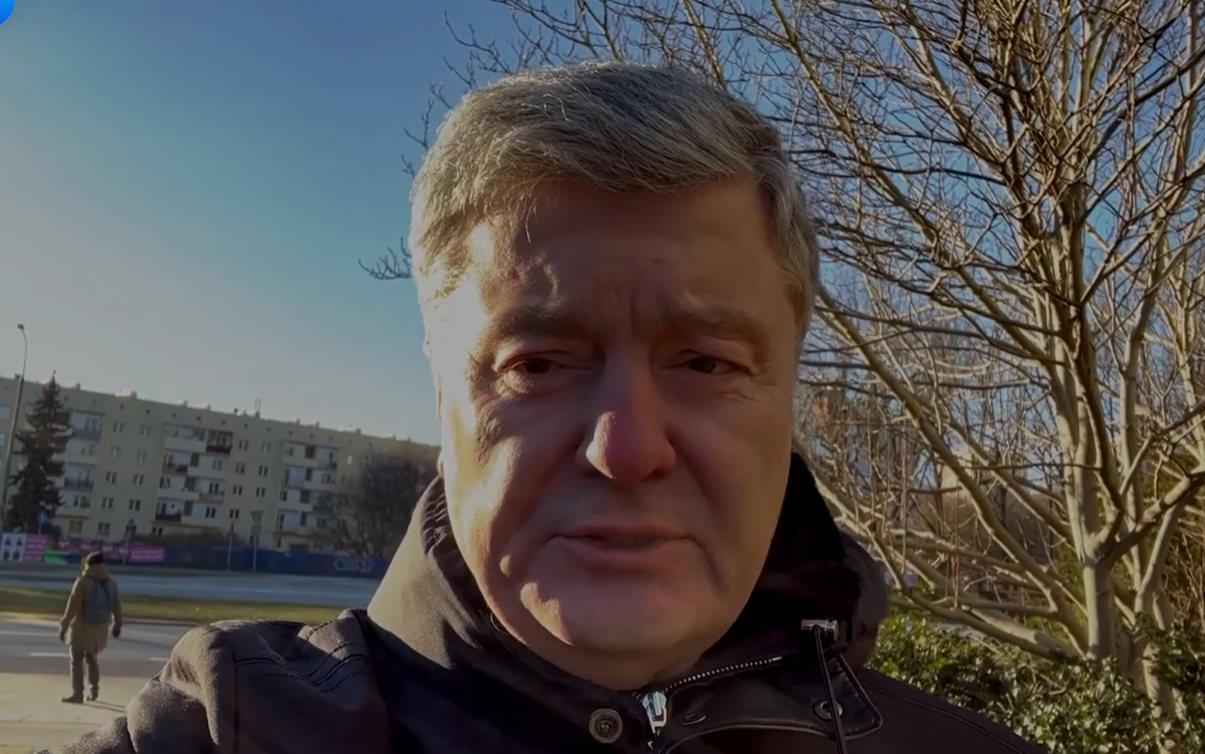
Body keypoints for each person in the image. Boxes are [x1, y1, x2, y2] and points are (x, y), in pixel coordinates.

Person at [63, 61, 1047, 754]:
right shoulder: (229, 731)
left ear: (787, 392)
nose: (626, 448)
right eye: (537, 364)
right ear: (442, 392)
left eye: (705, 362)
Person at [59, 551, 123, 704]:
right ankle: (94, 691)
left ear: (88, 564)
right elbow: (116, 606)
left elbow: (72, 606)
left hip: (80, 628)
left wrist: (64, 625)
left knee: (76, 661)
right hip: (99, 630)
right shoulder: (111, 583)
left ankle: (77, 693)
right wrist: (117, 624)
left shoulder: (82, 582)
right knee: (92, 660)